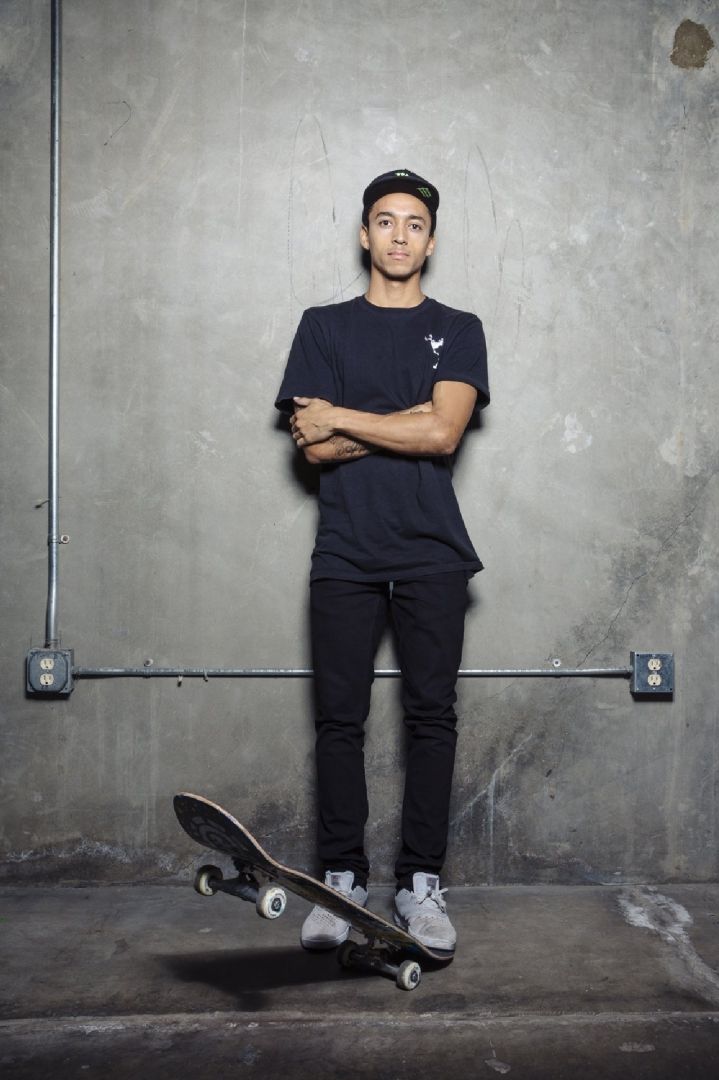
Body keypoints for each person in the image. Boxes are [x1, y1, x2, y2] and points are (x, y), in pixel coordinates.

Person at [274, 169, 489, 954]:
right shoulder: (323, 326)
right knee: (339, 720)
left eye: (415, 224)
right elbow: (312, 447)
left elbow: (444, 434)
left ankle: (419, 885)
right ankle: (341, 882)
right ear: (365, 234)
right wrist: (410, 418)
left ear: (430, 242)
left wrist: (346, 416)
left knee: (432, 718)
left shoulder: (459, 327)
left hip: (433, 551)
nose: (400, 234)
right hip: (345, 550)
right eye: (386, 221)